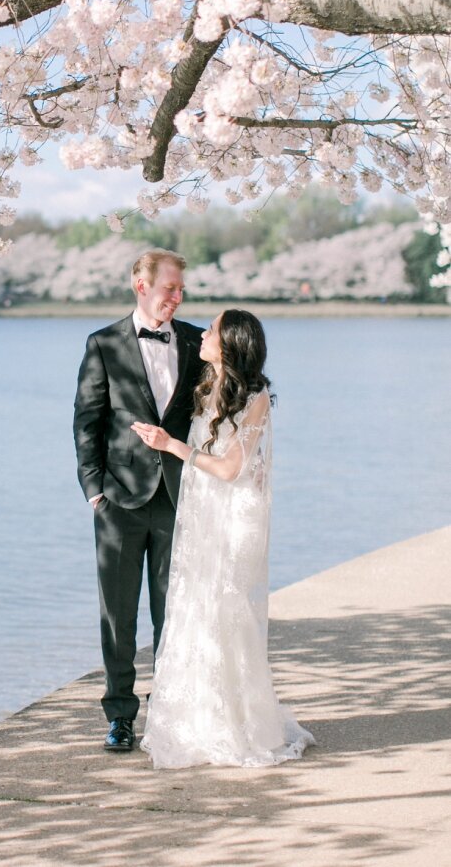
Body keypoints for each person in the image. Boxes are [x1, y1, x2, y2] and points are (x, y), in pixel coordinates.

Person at [133, 309, 314, 768]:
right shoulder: (210, 384)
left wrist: (171, 445)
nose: (204, 333)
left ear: (229, 343)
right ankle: (199, 719)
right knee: (196, 609)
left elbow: (232, 469)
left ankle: (237, 725)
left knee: (225, 612)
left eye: (212, 329)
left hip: (234, 518)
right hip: (204, 512)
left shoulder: (255, 397)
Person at [73, 249, 204, 752]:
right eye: (170, 287)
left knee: (174, 613)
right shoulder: (103, 344)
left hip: (179, 498)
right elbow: (87, 420)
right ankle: (121, 716)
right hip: (119, 502)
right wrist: (93, 491)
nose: (177, 296)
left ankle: (170, 712)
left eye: (181, 289)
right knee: (118, 614)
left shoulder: (196, 340)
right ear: (140, 285)